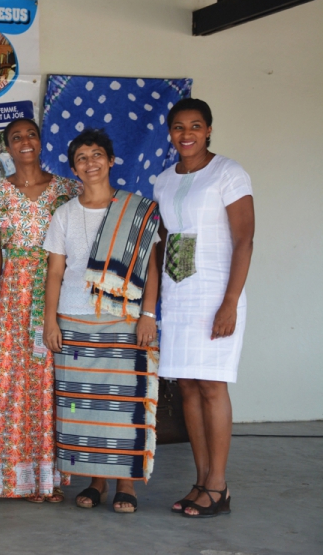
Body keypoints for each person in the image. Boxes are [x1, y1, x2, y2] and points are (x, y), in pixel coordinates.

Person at [42, 128, 161, 513]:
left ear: (111, 161)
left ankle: (126, 483)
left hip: (124, 321)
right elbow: (55, 272)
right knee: (83, 406)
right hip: (74, 320)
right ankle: (95, 482)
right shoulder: (64, 214)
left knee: (124, 403)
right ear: (73, 168)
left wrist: (148, 315)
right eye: (81, 158)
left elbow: (151, 270)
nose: (90, 163)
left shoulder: (138, 210)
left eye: (97, 155)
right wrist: (50, 322)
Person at [154, 98, 254, 518]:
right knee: (188, 388)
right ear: (170, 132)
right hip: (178, 296)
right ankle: (200, 479)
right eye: (179, 127)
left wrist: (229, 302)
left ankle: (219, 484)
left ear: (209, 129)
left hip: (215, 293)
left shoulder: (228, 173)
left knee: (212, 386)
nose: (187, 133)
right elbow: (163, 240)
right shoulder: (162, 180)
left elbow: (245, 239)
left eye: (196, 125)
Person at [0, 119, 80, 500]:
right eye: (15, 137)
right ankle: (6, 475)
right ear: (6, 146)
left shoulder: (68, 191)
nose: (24, 142)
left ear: (41, 140)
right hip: (12, 295)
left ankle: (48, 479)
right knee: (8, 383)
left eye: (30, 135)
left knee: (48, 383)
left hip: (53, 293)